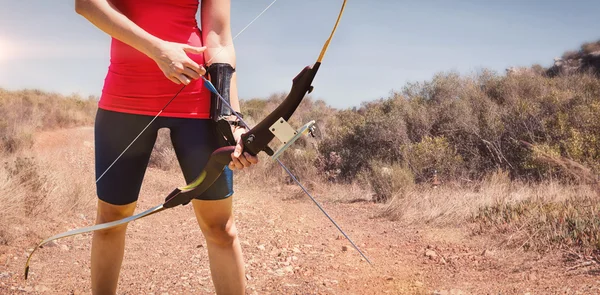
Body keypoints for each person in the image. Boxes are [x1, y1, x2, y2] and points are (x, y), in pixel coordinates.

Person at [75, 0, 257, 294]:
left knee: (220, 228)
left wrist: (231, 117)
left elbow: (219, 38)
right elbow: (86, 4)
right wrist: (158, 50)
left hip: (197, 96)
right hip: (126, 95)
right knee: (111, 219)